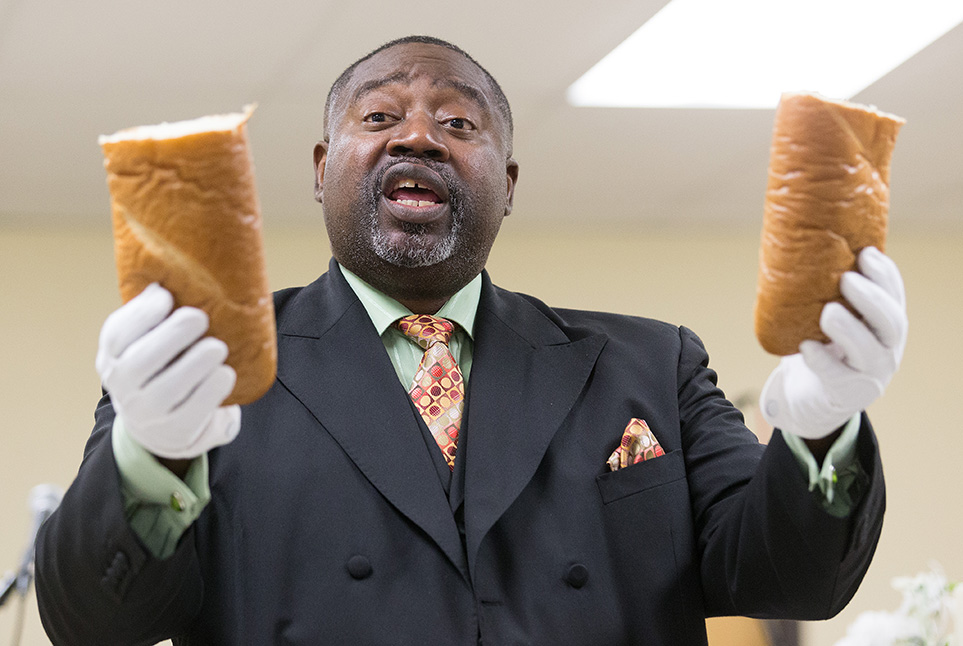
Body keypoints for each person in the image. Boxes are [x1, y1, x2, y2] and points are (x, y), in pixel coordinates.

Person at [35, 35, 907, 645]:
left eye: (459, 124)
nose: (417, 135)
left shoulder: (654, 365)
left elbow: (790, 582)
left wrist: (824, 428)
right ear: (317, 169)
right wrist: (149, 453)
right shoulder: (202, 370)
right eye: (378, 119)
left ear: (509, 182)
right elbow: (93, 623)